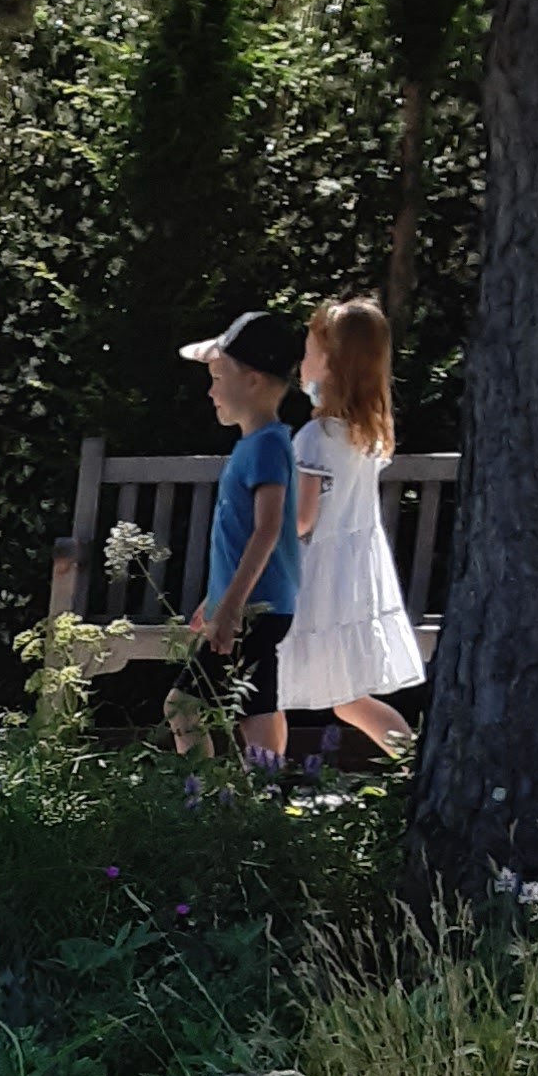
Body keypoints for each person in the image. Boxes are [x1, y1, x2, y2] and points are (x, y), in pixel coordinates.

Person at [280, 295, 426, 761]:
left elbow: (302, 518)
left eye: (309, 353)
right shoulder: (366, 435)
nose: (301, 364)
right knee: (349, 699)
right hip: (353, 579)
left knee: (267, 688)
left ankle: (258, 786)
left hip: (313, 580)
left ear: (331, 363)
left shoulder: (316, 437)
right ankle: (416, 768)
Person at [171, 305, 304, 771]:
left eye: (217, 377)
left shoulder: (267, 445)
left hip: (254, 609)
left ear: (252, 381)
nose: (210, 391)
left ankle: (210, 796)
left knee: (187, 705)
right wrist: (216, 598)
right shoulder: (256, 444)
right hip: (249, 606)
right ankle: (255, 796)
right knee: (253, 708)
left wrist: (230, 607)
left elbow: (267, 530)